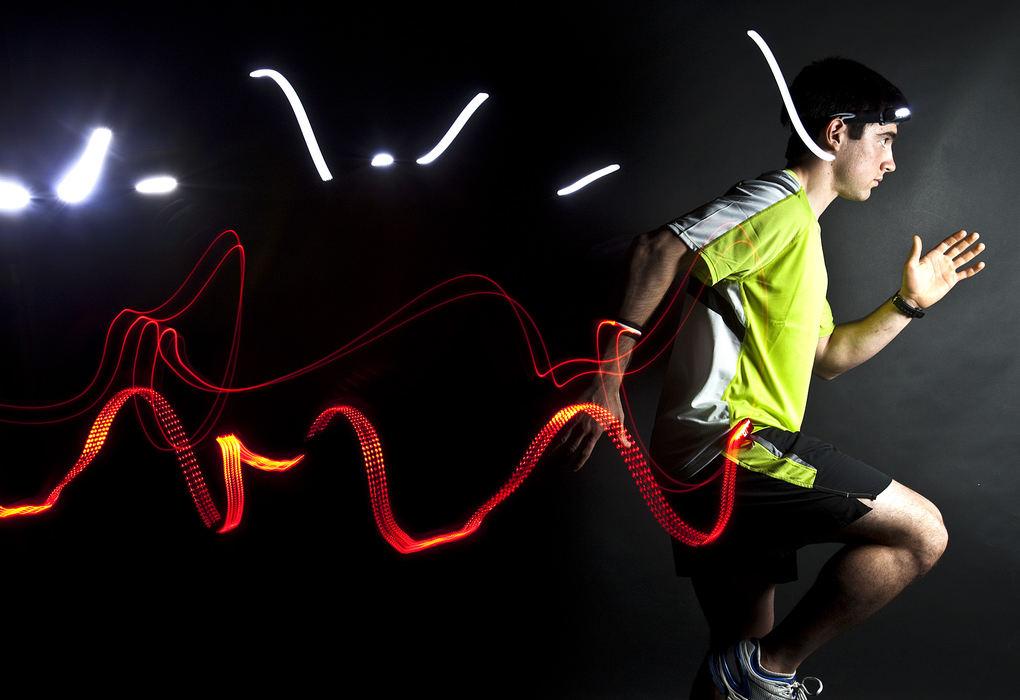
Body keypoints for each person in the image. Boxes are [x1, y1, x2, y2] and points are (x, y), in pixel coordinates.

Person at [558, 57, 985, 699]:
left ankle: (748, 672)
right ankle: (771, 666)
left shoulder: (800, 234)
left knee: (732, 673)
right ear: (838, 133)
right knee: (922, 531)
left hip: (713, 464)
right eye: (885, 141)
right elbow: (657, 249)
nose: (892, 162)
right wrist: (608, 377)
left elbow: (830, 356)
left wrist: (909, 304)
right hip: (729, 447)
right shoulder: (775, 201)